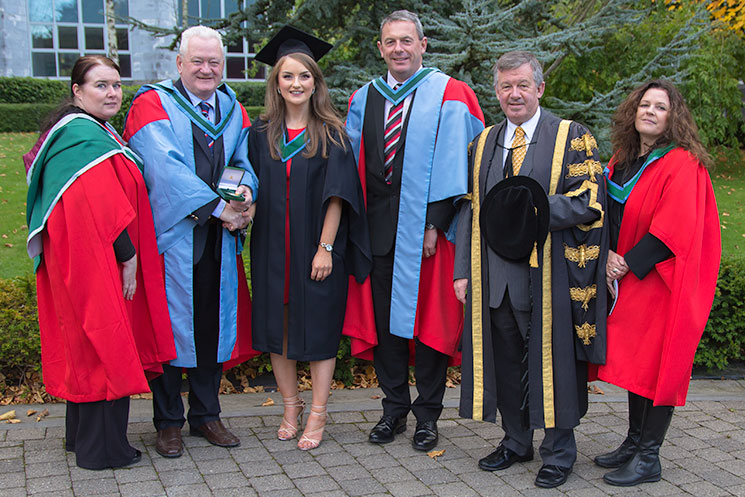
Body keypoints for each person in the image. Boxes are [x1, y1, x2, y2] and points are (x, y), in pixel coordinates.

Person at [455, 50, 607, 488]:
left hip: (548, 275)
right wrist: (463, 271)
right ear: (496, 92)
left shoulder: (571, 137)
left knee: (553, 361)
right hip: (494, 277)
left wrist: (534, 209)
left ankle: (559, 452)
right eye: (506, 87)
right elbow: (471, 210)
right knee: (504, 360)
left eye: (523, 85)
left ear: (539, 88)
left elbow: (589, 201)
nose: (514, 94)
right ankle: (516, 441)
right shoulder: (483, 142)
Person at [24, 55, 176, 470]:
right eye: (101, 86)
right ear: (77, 91)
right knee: (102, 342)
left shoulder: (87, 131)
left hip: (86, 256)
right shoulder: (81, 139)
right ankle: (103, 450)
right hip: (99, 259)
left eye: (116, 85)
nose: (112, 93)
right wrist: (128, 259)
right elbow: (103, 206)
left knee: (85, 342)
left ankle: (81, 438)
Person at [344, 10, 484, 452]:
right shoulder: (363, 98)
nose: (399, 49)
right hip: (375, 233)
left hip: (428, 237)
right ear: (380, 47)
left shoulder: (450, 93)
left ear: (423, 45)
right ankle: (393, 410)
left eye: (408, 41)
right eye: (391, 42)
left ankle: (428, 416)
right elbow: (350, 168)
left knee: (429, 329)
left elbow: (464, 162)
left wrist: (434, 223)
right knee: (387, 328)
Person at [123, 26, 258, 458]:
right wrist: (222, 209)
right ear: (178, 63)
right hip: (173, 237)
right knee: (170, 328)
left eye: (214, 62)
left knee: (210, 325)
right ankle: (167, 423)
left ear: (224, 65)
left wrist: (248, 195)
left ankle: (206, 414)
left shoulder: (232, 107)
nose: (205, 69)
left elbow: (243, 161)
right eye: (197, 61)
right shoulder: (152, 103)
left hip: (218, 242)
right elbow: (163, 168)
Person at [249, 26, 371, 451]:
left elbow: (338, 196)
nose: (296, 83)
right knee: (275, 329)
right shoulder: (261, 134)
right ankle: (290, 406)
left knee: (318, 330)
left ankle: (317, 412)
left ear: (315, 83)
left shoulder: (331, 133)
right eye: (288, 76)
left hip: (316, 250)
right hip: (269, 250)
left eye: (305, 76)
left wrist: (326, 248)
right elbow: (249, 185)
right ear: (277, 84)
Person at [593, 80, 720, 486]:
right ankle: (633, 442)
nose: (649, 111)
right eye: (644, 104)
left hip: (661, 282)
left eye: (660, 107)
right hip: (629, 279)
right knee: (636, 365)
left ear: (672, 118)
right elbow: (607, 211)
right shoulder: (622, 159)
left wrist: (626, 263)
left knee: (658, 365)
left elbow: (673, 229)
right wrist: (608, 253)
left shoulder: (682, 162)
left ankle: (649, 457)